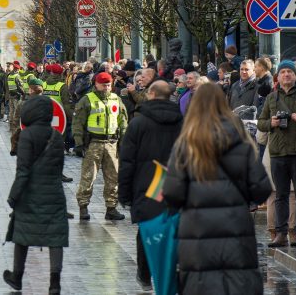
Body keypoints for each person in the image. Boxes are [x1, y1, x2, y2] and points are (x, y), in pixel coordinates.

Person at [163, 81, 272, 294]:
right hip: (236, 228)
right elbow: (261, 189)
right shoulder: (241, 141)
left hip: (196, 230)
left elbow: (172, 192)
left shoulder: (185, 144)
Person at [118, 80, 183, 290]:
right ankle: (171, 270)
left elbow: (127, 161)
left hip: (147, 183)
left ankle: (144, 275)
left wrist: (124, 194)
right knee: (174, 227)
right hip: (175, 183)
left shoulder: (138, 123)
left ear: (152, 94)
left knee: (146, 228)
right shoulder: (183, 122)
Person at [2, 96, 67, 295]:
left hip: (30, 193)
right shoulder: (57, 136)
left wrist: (13, 197)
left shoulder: (26, 136)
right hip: (54, 193)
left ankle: (17, 277)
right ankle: (54, 283)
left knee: (21, 234)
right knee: (55, 238)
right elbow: (59, 168)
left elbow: (23, 171)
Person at [257, 59, 296, 247]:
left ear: (295, 76)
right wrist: (271, 123)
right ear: (278, 76)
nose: (286, 75)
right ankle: (281, 233)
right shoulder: (271, 97)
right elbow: (261, 122)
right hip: (278, 153)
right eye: (283, 72)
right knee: (280, 195)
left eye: (289, 72)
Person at [72, 71, 128, 221]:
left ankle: (111, 208)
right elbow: (78, 123)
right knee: (88, 177)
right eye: (103, 84)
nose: (106, 87)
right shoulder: (87, 100)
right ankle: (83, 207)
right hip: (93, 144)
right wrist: (78, 143)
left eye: (108, 85)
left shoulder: (116, 100)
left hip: (112, 144)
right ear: (96, 84)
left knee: (113, 177)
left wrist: (124, 142)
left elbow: (123, 122)